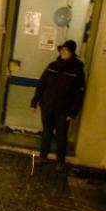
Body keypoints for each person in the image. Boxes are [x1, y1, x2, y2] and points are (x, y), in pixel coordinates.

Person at [30, 40, 86, 171]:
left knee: (61, 135)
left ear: (72, 53)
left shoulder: (77, 70)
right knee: (47, 133)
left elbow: (80, 93)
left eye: (66, 50)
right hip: (47, 106)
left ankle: (60, 161)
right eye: (62, 50)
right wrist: (34, 102)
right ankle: (43, 156)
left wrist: (73, 112)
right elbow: (41, 84)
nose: (63, 52)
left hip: (64, 110)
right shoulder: (52, 66)